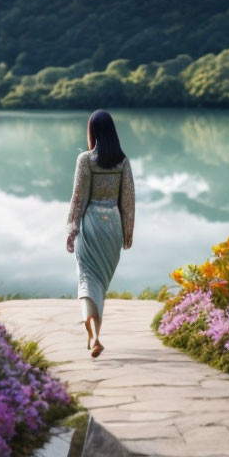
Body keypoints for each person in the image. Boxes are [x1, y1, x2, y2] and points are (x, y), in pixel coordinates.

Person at [65, 109, 135, 358]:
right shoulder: (123, 161)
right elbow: (127, 200)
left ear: (92, 132)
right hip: (113, 227)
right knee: (100, 285)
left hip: (92, 223)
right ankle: (94, 336)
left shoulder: (85, 160)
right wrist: (128, 232)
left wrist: (71, 229)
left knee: (87, 280)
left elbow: (78, 198)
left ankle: (94, 337)